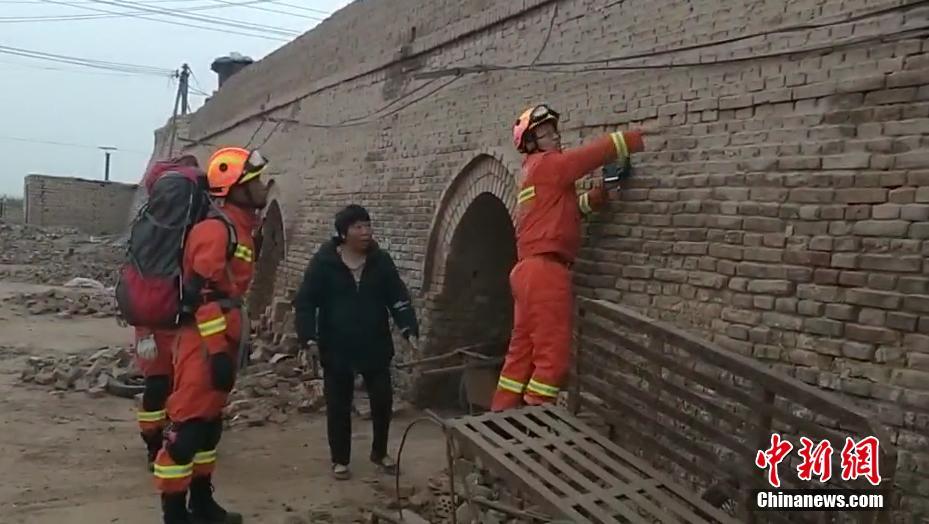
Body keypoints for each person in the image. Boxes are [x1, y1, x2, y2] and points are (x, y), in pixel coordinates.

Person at [491, 104, 645, 411]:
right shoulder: (548, 164)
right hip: (547, 271)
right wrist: (631, 139)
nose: (555, 137)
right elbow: (587, 158)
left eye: (554, 131)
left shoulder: (534, 175)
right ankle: (535, 421)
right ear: (531, 143)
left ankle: (499, 419)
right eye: (546, 134)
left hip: (527, 272)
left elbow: (567, 215)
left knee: (520, 355)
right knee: (554, 361)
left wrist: (600, 196)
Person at [152, 146, 269, 524]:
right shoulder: (214, 230)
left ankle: (201, 504)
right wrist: (218, 351)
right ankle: (174, 515)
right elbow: (201, 294)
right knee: (187, 432)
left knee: (209, 429)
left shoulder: (238, 228)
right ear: (234, 189)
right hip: (201, 343)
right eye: (253, 181)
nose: (262, 186)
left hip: (221, 339)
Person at [293, 204, 419, 481]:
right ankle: (340, 459)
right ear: (343, 233)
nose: (366, 232)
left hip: (375, 343)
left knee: (383, 400)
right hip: (336, 345)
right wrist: (308, 338)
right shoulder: (324, 263)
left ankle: (380, 452)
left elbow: (397, 298)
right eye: (358, 227)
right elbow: (305, 303)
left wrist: (409, 329)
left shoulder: (381, 262)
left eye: (368, 226)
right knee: (338, 405)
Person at [133, 154, 203, 470]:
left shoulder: (147, 225)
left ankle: (155, 445)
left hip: (152, 319)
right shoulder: (196, 226)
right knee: (176, 386)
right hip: (177, 319)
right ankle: (169, 444)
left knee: (158, 385)